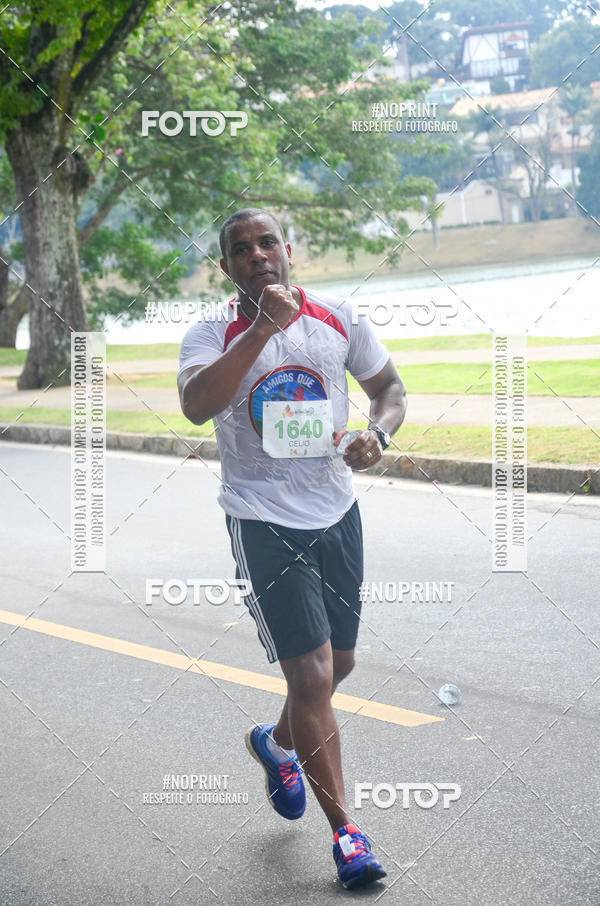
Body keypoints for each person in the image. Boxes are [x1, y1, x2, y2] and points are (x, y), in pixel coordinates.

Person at [178, 207, 406, 890]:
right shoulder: (210, 332)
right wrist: (263, 329)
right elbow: (196, 404)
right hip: (262, 519)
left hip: (335, 511)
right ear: (226, 267)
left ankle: (276, 745)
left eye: (267, 242)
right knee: (309, 677)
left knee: (340, 665)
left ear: (287, 249)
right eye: (241, 249)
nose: (257, 255)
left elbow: (389, 390)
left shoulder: (338, 317)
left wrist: (377, 435)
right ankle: (348, 835)